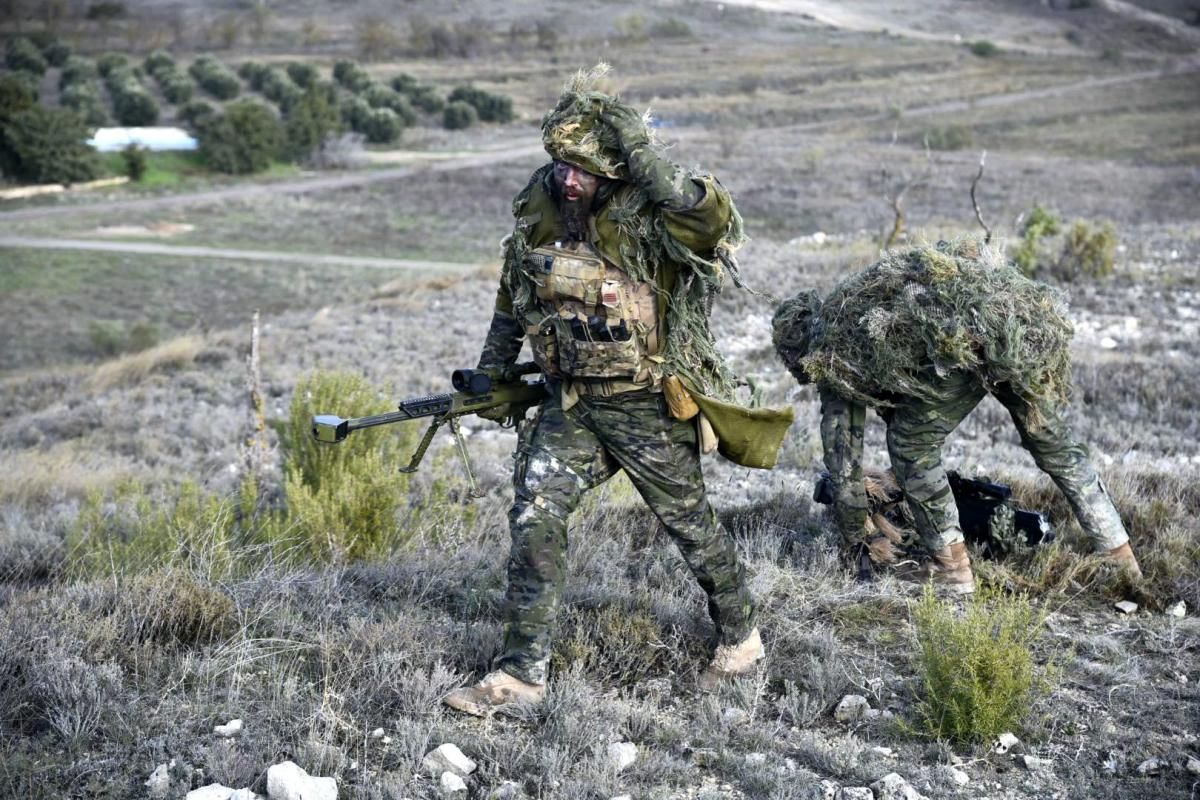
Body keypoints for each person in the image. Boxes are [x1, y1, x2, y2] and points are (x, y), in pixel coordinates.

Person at [444, 66, 792, 716]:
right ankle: (519, 674)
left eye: (585, 170)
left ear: (615, 170)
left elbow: (708, 218)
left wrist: (641, 151)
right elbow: (511, 293)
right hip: (572, 402)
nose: (570, 180)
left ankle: (741, 636)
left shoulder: (650, 213)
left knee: (688, 523)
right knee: (534, 516)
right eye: (561, 165)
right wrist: (492, 371)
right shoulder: (540, 203)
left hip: (646, 401)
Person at [772, 239, 1142, 595]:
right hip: (1014, 323)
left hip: (967, 339)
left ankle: (952, 569)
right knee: (1054, 445)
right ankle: (1121, 557)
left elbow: (843, 462)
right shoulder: (854, 296)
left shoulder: (827, 350)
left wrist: (857, 538)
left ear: (797, 350)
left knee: (910, 444)